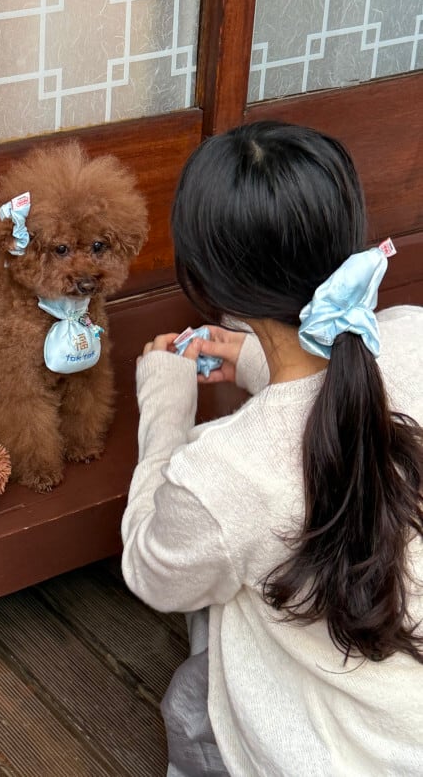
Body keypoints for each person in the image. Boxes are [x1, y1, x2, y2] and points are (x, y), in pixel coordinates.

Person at [120, 120, 423, 776]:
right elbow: (335, 390)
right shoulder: (414, 333)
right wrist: (261, 358)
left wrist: (165, 412)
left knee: (218, 593)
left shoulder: (225, 472)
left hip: (328, 756)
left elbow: (152, 569)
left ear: (211, 287)